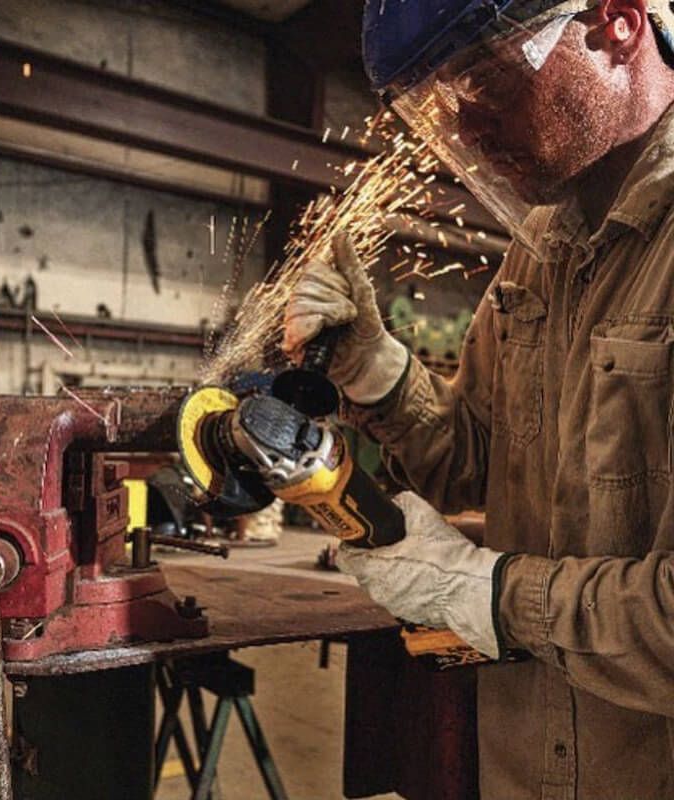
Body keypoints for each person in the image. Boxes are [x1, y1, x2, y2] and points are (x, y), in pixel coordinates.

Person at [283, 1, 674, 797]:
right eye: (442, 104)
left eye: (486, 82)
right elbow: (475, 462)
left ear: (617, 22)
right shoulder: (540, 252)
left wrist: (490, 597)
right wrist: (375, 370)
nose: (466, 128)